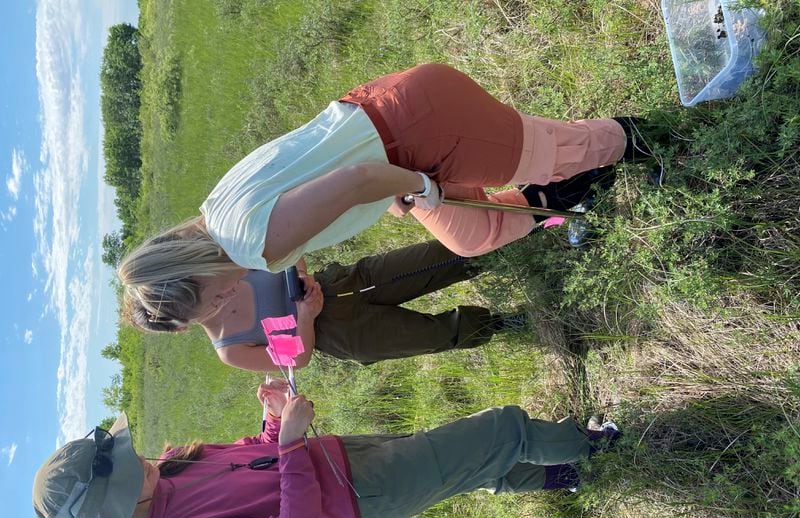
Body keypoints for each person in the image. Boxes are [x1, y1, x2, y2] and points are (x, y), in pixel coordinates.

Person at [118, 64, 649, 324]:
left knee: (557, 150)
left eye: (206, 306)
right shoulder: (216, 210)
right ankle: (559, 195)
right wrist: (398, 189)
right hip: (390, 116)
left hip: (421, 132)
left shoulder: (252, 247)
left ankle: (646, 139)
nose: (222, 307)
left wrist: (418, 187)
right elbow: (323, 173)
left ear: (198, 278)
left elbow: (355, 181)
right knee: (468, 234)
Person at [32, 379, 620, 518]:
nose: (143, 460)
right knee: (499, 431)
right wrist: (290, 447)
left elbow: (257, 452)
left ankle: (563, 475)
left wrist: (272, 419)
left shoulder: (170, 473)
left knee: (465, 471)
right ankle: (598, 448)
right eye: (129, 467)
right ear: (113, 509)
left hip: (345, 457)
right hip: (366, 495)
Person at [125, 239, 528, 370]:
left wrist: (301, 276)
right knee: (438, 334)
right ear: (181, 327)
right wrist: (306, 317)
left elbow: (285, 250)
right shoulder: (231, 347)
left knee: (436, 259)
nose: (219, 297)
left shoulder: (221, 270)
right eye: (200, 306)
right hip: (346, 334)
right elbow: (295, 359)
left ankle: (515, 243)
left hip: (347, 282)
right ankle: (508, 324)